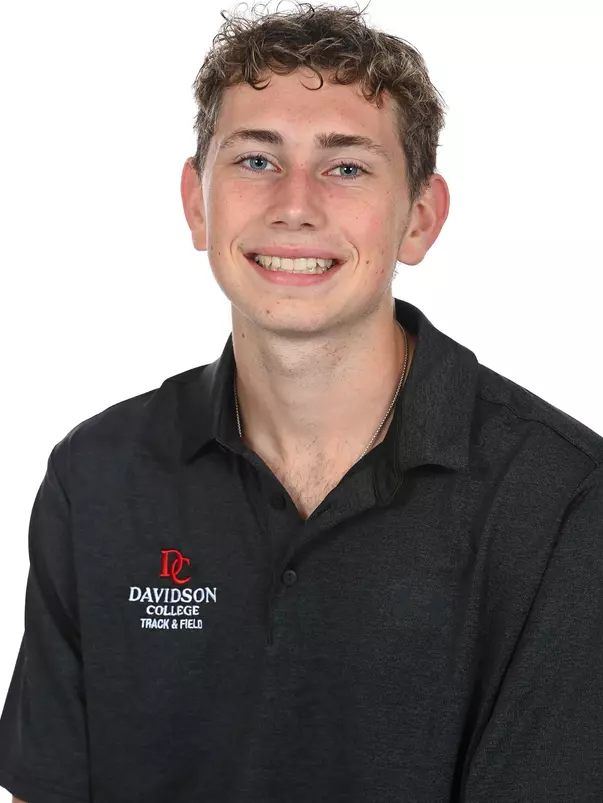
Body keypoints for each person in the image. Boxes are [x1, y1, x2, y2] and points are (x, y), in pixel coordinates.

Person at [1, 2, 602, 801]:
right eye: (255, 159)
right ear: (196, 202)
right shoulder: (98, 476)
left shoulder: (559, 499)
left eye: (345, 166)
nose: (294, 203)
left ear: (418, 220)